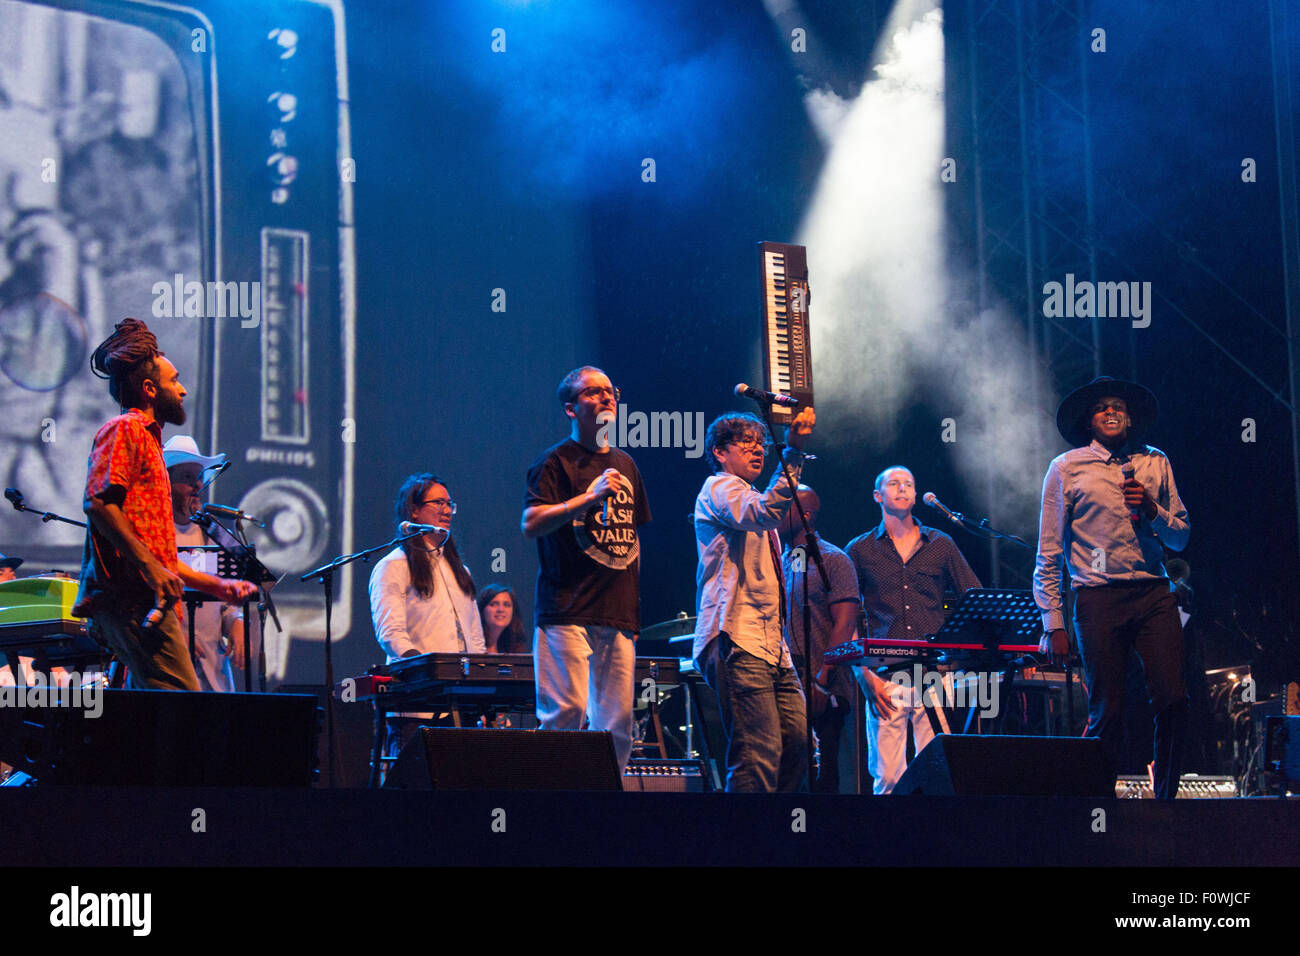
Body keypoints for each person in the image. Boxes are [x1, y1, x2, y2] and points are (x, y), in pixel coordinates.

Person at [73, 318, 256, 690]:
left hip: (139, 597)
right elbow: (97, 503)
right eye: (174, 381)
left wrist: (217, 586)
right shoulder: (126, 429)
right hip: (131, 599)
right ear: (149, 389)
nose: (183, 389)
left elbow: (161, 558)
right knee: (185, 711)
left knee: (153, 722)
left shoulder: (149, 444)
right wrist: (153, 572)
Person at [1034, 376, 1190, 800]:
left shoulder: (1156, 461)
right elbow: (1048, 552)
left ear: (1129, 416)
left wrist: (1153, 508)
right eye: (1102, 406)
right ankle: (1097, 811)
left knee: (1173, 699)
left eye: (1117, 405)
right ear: (1090, 419)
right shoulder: (1066, 468)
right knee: (1109, 709)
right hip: (1098, 597)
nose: (1110, 411)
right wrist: (1054, 623)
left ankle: (1167, 803)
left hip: (1153, 592)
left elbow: (1180, 536)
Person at [522, 366, 651, 772]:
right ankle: (550, 804)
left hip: (615, 612)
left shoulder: (626, 463)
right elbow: (531, 523)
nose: (607, 397)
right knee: (566, 711)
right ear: (571, 408)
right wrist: (588, 498)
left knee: (617, 726)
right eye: (593, 392)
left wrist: (632, 607)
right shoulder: (555, 462)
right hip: (567, 608)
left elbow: (633, 537)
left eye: (610, 391)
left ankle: (602, 811)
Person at [692, 407, 815, 792]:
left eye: (761, 443)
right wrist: (792, 451)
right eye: (745, 443)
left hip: (772, 647)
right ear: (718, 452)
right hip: (737, 638)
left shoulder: (753, 495)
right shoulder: (720, 488)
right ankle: (744, 847)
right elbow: (762, 512)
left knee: (797, 744)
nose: (757, 450)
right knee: (756, 753)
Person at [845, 466, 981, 794]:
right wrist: (863, 675)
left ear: (916, 495)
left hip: (933, 673)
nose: (903, 488)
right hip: (884, 676)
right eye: (894, 484)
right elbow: (845, 615)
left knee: (936, 775)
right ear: (878, 496)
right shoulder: (860, 549)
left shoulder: (941, 544)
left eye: (909, 484)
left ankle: (933, 842)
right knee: (889, 779)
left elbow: (973, 597)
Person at [778, 484, 876, 793]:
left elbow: (845, 624)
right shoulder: (780, 560)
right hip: (789, 684)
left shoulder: (834, 560)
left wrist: (822, 679)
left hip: (825, 686)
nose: (776, 516)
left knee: (823, 777)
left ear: (804, 515)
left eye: (784, 510)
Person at [163, 435, 252, 693]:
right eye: (187, 478)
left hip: (213, 672)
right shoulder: (156, 530)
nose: (197, 486)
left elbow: (224, 588)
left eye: (199, 477)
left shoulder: (210, 531)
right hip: (168, 665)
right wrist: (173, 637)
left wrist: (236, 619)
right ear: (166, 481)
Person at [370, 473, 485, 661]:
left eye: (449, 505)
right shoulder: (394, 566)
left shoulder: (461, 571)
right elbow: (391, 634)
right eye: (439, 503)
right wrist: (424, 668)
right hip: (418, 683)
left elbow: (475, 638)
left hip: (463, 684)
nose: (447, 511)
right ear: (414, 510)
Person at [477, 584, 528, 654]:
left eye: (507, 605)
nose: (501, 609)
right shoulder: (473, 646)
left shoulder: (514, 648)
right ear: (482, 610)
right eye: (494, 604)